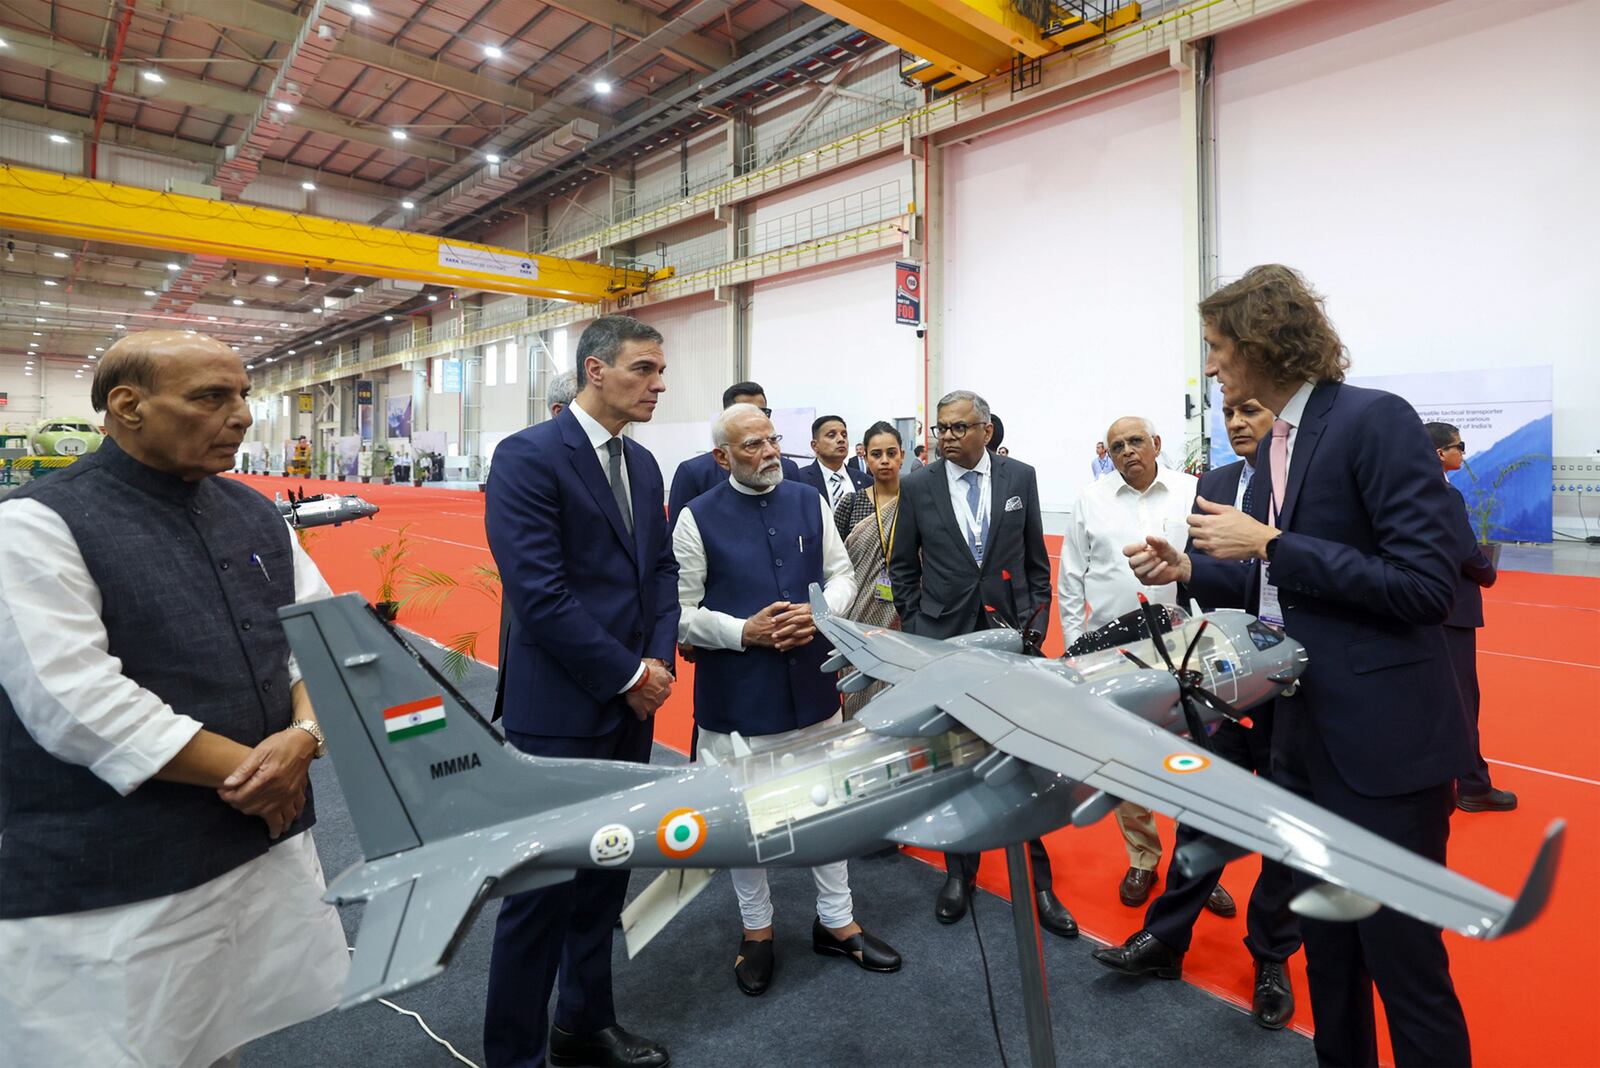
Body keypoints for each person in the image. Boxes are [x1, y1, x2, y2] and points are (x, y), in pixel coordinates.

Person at [1126, 264, 1475, 1066]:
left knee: (1405, 969)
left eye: (1216, 347)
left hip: (1385, 758)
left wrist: (1276, 544)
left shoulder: (1373, 421)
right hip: (1304, 745)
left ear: (1260, 342)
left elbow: (1425, 585)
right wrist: (1193, 571)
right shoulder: (1282, 442)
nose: (1210, 365)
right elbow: (1285, 588)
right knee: (1330, 962)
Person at [0, 330, 348, 1067]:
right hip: (120, 872)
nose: (244, 414)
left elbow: (318, 641)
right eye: (211, 397)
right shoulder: (34, 525)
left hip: (252, 850)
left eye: (244, 394)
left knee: (219, 1034)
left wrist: (306, 740)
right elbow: (77, 702)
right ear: (127, 407)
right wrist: (261, 775)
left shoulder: (254, 514)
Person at [484, 315, 678, 1068]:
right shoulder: (529, 457)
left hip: (631, 704)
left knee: (604, 878)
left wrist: (655, 665)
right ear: (595, 371)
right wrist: (628, 674)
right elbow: (539, 593)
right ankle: (514, 1057)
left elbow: (660, 574)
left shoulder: (645, 465)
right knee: (538, 901)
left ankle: (583, 1024)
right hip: (560, 710)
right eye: (643, 369)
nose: (658, 383)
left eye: (660, 370)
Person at [674, 403, 902, 996]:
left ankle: (837, 922)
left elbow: (843, 573)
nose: (770, 453)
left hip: (813, 686)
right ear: (723, 457)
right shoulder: (696, 518)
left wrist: (822, 613)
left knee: (829, 804)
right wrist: (743, 631)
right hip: (738, 699)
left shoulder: (808, 501)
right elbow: (679, 615)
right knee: (746, 821)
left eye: (772, 441)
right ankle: (757, 931)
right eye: (752, 446)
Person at [1092, 398, 1299, 1031]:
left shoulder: (1304, 482)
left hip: (1295, 679)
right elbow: (1210, 582)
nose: (1237, 421)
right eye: (1229, 411)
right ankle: (1166, 941)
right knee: (1202, 812)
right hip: (1228, 678)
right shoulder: (1212, 484)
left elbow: (1297, 575)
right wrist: (1184, 570)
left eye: (1251, 409)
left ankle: (1271, 958)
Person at [889, 389, 1076, 939]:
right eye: (940, 428)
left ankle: (1038, 880)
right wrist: (919, 629)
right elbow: (903, 565)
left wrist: (1034, 624)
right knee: (953, 759)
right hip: (943, 638)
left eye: (956, 428)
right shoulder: (918, 483)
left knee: (1022, 756)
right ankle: (960, 873)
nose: (944, 437)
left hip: (1009, 637)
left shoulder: (1020, 477)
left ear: (985, 430)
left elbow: (1036, 561)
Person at [1060, 417, 1226, 914]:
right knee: (1125, 756)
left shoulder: (1191, 492)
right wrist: (1076, 650)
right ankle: (1142, 855)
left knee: (1196, 758)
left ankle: (1196, 866)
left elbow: (1217, 563)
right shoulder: (1091, 500)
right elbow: (1071, 580)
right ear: (1106, 454)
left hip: (1187, 646)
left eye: (1136, 441)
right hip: (1114, 652)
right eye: (1117, 446)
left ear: (1156, 445)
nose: (1128, 451)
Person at [1426, 421, 1515, 813]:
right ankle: (1473, 784)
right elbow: (1465, 550)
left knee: (1432, 698)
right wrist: (1489, 573)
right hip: (1450, 609)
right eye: (1459, 446)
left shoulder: (1403, 492)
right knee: (1462, 700)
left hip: (1418, 606)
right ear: (1440, 454)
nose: (1463, 451)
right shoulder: (1444, 495)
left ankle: (1441, 784)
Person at [831, 421, 907, 716]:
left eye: (891, 452)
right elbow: (835, 563)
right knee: (858, 693)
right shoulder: (850, 504)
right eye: (876, 454)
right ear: (865, 457)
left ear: (902, 454)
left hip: (905, 616)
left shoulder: (917, 500)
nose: (884, 460)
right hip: (858, 616)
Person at [667, 381, 803, 522]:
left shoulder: (788, 468)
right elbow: (680, 532)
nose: (755, 418)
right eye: (747, 413)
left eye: (762, 412)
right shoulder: (694, 472)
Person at [795, 414, 872, 507]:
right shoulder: (798, 480)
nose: (841, 439)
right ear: (815, 445)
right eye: (831, 435)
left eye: (844, 435)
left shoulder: (866, 481)